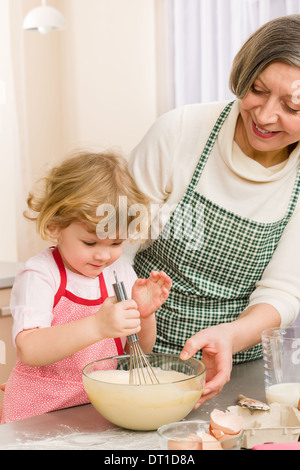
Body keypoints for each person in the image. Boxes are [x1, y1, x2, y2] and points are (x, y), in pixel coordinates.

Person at [127, 14, 300, 406]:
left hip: (235, 366)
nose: (265, 115)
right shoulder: (181, 131)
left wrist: (230, 337)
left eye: (292, 106)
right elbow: (114, 243)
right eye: (256, 89)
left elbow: (284, 291)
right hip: (135, 353)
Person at [1, 151, 171, 424]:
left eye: (116, 244)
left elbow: (139, 349)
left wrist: (144, 315)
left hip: (95, 410)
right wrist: (97, 326)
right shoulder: (41, 275)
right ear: (56, 225)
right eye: (90, 243)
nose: (103, 256)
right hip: (35, 417)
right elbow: (30, 350)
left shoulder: (120, 273)